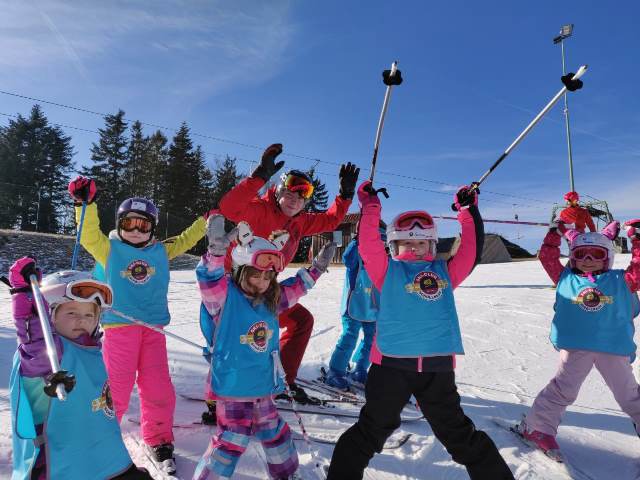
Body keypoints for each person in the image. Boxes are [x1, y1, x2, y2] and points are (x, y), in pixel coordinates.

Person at [326, 181, 515, 480]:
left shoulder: (445, 273)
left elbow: (470, 251)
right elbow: (368, 246)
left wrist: (468, 212)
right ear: (394, 246)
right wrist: (371, 208)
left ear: (432, 245)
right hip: (390, 368)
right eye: (407, 243)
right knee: (370, 432)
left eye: (422, 243)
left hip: (436, 371)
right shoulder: (386, 271)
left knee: (459, 436)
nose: (415, 248)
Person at [67, 176, 208, 475]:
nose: (135, 230)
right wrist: (85, 204)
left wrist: (203, 223)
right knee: (116, 387)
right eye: (129, 223)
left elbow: (184, 241)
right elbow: (88, 235)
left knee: (158, 387)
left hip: (154, 330)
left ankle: (159, 438)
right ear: (119, 224)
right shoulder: (109, 249)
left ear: (152, 228)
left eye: (143, 225)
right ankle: (100, 438)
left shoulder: (160, 251)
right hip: (120, 328)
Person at [215, 143, 359, 405]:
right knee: (238, 336)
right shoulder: (259, 209)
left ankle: (281, 382)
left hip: (265, 286)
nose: (295, 201)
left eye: (301, 198)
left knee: (301, 321)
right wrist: (259, 176)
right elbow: (229, 207)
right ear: (279, 191)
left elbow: (331, 220)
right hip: (234, 287)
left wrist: (345, 195)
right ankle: (225, 390)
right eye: (289, 194)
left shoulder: (299, 222)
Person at [193, 214, 335, 479]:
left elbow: (296, 288)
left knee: (275, 433)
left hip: (262, 385)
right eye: (254, 276)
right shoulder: (223, 300)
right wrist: (215, 254)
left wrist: (316, 269)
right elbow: (209, 280)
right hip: (234, 387)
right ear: (239, 271)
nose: (261, 283)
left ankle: (286, 474)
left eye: (268, 277)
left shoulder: (270, 300)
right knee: (232, 439)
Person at [8, 259, 152, 479]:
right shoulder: (48, 355)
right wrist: (26, 295)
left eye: (89, 315)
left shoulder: (91, 349)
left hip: (108, 461)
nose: (81, 321)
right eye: (71, 313)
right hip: (64, 465)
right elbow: (34, 335)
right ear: (50, 316)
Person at [515, 219, 640, 459]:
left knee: (628, 394)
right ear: (573, 257)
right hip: (576, 347)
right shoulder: (565, 277)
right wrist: (553, 234)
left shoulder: (621, 280)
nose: (588, 259)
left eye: (596, 254)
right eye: (581, 254)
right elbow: (547, 258)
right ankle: (537, 428)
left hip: (612, 347)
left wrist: (637, 241)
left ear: (608, 257)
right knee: (563, 390)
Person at [324, 226, 386, 389]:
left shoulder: (383, 262)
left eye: (380, 244)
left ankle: (360, 368)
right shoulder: (356, 259)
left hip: (372, 307)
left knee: (372, 340)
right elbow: (346, 258)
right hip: (352, 306)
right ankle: (335, 371)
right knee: (350, 336)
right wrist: (357, 240)